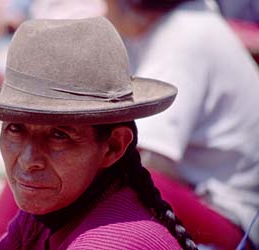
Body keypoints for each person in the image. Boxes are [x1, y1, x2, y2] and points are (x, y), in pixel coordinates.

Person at [0, 17, 198, 249]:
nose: (29, 161)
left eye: (59, 136)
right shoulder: (46, 217)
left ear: (113, 146)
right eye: (15, 128)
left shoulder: (115, 242)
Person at [104, 0, 259, 248]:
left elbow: (148, 158)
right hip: (202, 195)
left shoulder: (185, 33)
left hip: (233, 217)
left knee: (108, 179)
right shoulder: (179, 22)